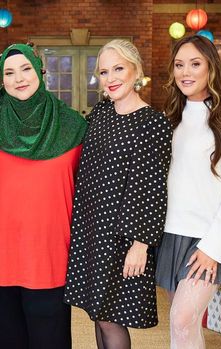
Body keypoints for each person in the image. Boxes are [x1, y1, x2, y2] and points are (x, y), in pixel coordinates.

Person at [64, 39, 172, 349]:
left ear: (136, 70)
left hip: (123, 236)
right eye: (104, 71)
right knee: (98, 315)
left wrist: (141, 244)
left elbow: (153, 188)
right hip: (91, 230)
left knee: (111, 319)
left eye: (118, 69)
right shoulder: (100, 114)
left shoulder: (153, 123)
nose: (110, 78)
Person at [0, 43, 87, 349]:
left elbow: (89, 193)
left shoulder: (74, 125)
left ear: (40, 71)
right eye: (9, 73)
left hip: (50, 257)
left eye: (25, 69)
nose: (18, 78)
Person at [155, 34, 221, 349]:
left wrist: (213, 247)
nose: (186, 72)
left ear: (211, 68)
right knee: (185, 327)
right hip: (171, 235)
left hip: (209, 239)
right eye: (179, 65)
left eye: (195, 64)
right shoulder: (169, 118)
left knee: (181, 320)